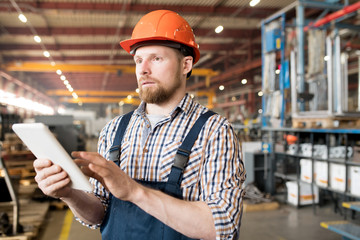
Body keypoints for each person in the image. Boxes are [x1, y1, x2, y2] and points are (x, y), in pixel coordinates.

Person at [33, 10, 246, 240]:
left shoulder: (214, 131)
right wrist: (68, 194)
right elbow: (98, 214)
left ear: (186, 65)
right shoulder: (114, 130)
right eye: (138, 60)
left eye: (156, 59)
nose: (143, 69)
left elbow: (222, 226)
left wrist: (135, 192)